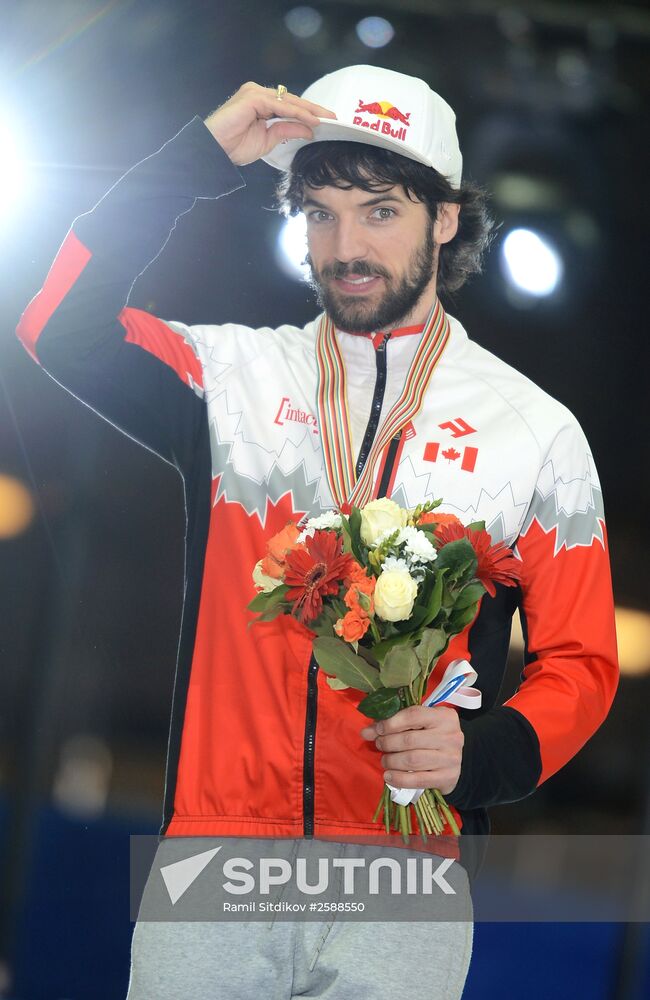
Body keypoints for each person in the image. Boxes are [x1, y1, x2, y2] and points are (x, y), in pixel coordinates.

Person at [16, 64, 619, 999]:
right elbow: (57, 321)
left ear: (446, 219)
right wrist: (197, 157)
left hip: (405, 870)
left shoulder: (535, 431)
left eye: (380, 210)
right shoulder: (230, 378)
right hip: (216, 856)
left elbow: (583, 660)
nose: (346, 245)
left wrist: (485, 755)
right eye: (321, 212)